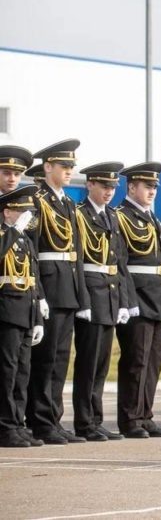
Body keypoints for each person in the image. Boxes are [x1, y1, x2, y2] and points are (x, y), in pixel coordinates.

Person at [28, 139, 89, 445]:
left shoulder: (67, 204)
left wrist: (82, 296)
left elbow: (76, 252)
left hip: (66, 285)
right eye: (64, 166)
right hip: (49, 284)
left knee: (61, 358)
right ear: (47, 166)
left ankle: (53, 418)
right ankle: (40, 420)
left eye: (71, 167)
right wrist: (37, 294)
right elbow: (32, 251)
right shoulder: (37, 201)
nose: (69, 171)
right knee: (45, 358)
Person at [115, 162, 161, 439]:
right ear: (131, 187)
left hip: (160, 297)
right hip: (138, 297)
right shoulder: (121, 217)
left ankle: (145, 415)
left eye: (154, 187)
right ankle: (130, 419)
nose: (152, 191)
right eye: (146, 186)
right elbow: (121, 263)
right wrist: (128, 301)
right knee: (136, 360)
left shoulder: (154, 219)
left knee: (154, 360)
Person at [72, 162, 132, 442]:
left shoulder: (112, 216)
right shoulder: (79, 215)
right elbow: (79, 261)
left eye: (112, 187)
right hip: (92, 294)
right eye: (104, 186)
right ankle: (84, 422)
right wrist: (82, 300)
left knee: (102, 365)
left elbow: (119, 261)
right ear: (90, 185)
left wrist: (123, 300)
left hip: (109, 295)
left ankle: (95, 419)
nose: (109, 192)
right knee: (88, 362)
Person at [0, 186, 45, 448]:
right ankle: (5, 426)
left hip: (26, 311)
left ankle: (17, 423)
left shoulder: (25, 241)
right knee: (7, 371)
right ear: (7, 212)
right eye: (21, 211)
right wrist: (13, 230)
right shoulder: (6, 235)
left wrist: (38, 316)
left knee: (22, 372)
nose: (27, 216)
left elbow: (33, 279)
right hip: (7, 311)